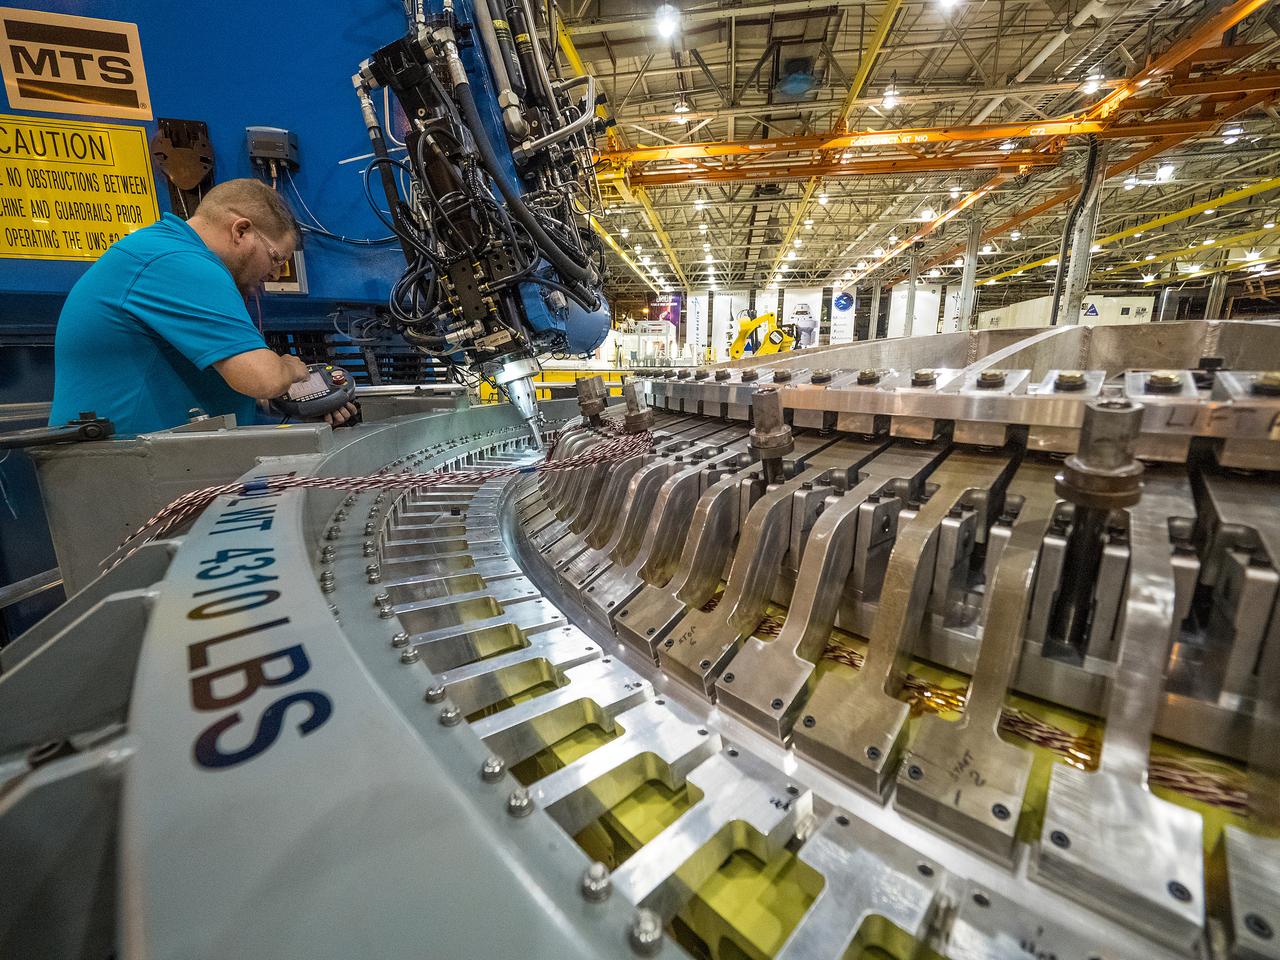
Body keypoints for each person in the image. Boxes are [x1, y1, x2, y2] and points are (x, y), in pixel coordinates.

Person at [49, 178, 357, 434]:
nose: (274, 274)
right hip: (124, 473)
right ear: (241, 230)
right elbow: (262, 378)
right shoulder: (179, 263)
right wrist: (290, 368)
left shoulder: (164, 250)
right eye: (276, 258)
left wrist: (293, 406)